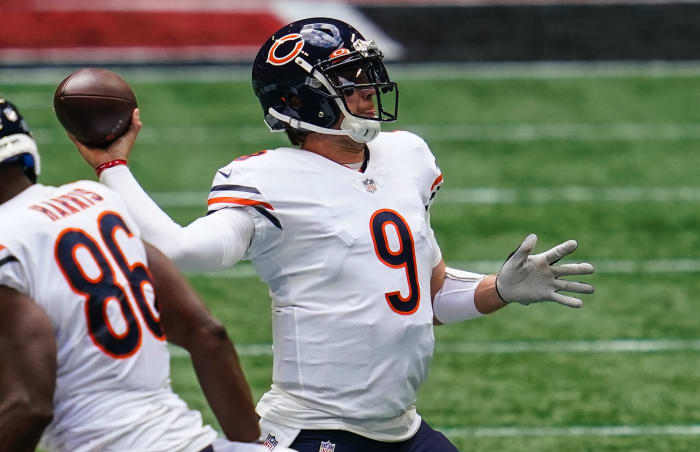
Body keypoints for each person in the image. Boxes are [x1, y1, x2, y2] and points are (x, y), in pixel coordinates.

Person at [70, 17, 595, 452]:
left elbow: (428, 296)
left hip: (402, 429)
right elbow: (185, 250)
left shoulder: (405, 156)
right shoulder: (268, 179)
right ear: (302, 100)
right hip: (316, 432)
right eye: (351, 82)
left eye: (368, 77)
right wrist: (113, 167)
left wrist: (497, 290)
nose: (369, 92)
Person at [0, 99, 297, 452]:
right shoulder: (95, 199)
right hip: (192, 442)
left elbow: (29, 405)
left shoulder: (7, 240)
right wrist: (253, 446)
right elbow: (206, 333)